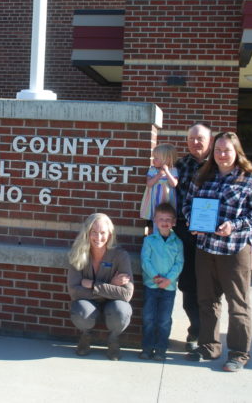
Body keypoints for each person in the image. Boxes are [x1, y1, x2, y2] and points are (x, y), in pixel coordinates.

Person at [183, 132, 252, 372]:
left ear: (236, 152)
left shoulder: (250, 178)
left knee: (238, 304)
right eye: (218, 150)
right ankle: (209, 347)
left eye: (227, 150)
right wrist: (192, 222)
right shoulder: (202, 176)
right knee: (207, 301)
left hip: (235, 250)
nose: (222, 155)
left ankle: (239, 354)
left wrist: (235, 225)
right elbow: (188, 204)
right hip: (206, 249)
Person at [67, 213, 134, 360]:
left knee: (121, 311)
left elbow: (126, 294)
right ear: (87, 233)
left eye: (103, 232)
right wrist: (111, 287)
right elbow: (74, 291)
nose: (98, 237)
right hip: (88, 303)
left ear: (110, 234)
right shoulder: (77, 254)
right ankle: (86, 336)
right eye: (94, 232)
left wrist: (93, 285)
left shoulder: (120, 256)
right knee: (80, 311)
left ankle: (114, 339)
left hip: (113, 304)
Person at [174, 122, 212, 351]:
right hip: (184, 232)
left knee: (209, 285)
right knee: (188, 284)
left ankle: (207, 333)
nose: (195, 142)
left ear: (210, 140)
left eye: (200, 138)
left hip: (211, 235)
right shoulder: (181, 165)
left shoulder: (218, 165)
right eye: (191, 138)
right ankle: (195, 329)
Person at [139, 203, 184, 361]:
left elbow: (179, 263)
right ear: (155, 221)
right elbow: (145, 260)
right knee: (148, 318)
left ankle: (161, 348)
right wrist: (155, 277)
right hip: (151, 285)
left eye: (168, 219)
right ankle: (147, 347)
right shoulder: (149, 240)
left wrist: (169, 279)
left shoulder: (177, 242)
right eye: (161, 219)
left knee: (164, 320)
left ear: (174, 222)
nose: (164, 222)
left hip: (168, 288)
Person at [139, 143, 179, 229]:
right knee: (156, 216)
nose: (153, 160)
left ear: (167, 159)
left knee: (167, 216)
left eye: (156, 158)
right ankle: (156, 233)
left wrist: (167, 172)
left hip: (167, 200)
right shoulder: (152, 170)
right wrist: (159, 175)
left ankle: (167, 234)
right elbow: (149, 184)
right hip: (154, 200)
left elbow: (174, 184)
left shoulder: (173, 170)